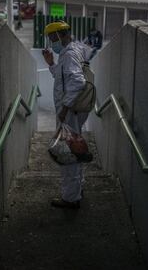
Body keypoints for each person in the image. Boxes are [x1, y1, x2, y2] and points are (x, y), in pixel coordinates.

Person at [42, 21, 91, 209]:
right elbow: (64, 79)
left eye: (51, 38)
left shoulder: (69, 54)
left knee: (68, 154)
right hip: (74, 110)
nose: (51, 42)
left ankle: (71, 198)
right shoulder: (73, 49)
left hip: (70, 112)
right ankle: (77, 189)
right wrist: (51, 64)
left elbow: (77, 82)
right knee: (75, 150)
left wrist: (64, 108)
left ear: (57, 36)